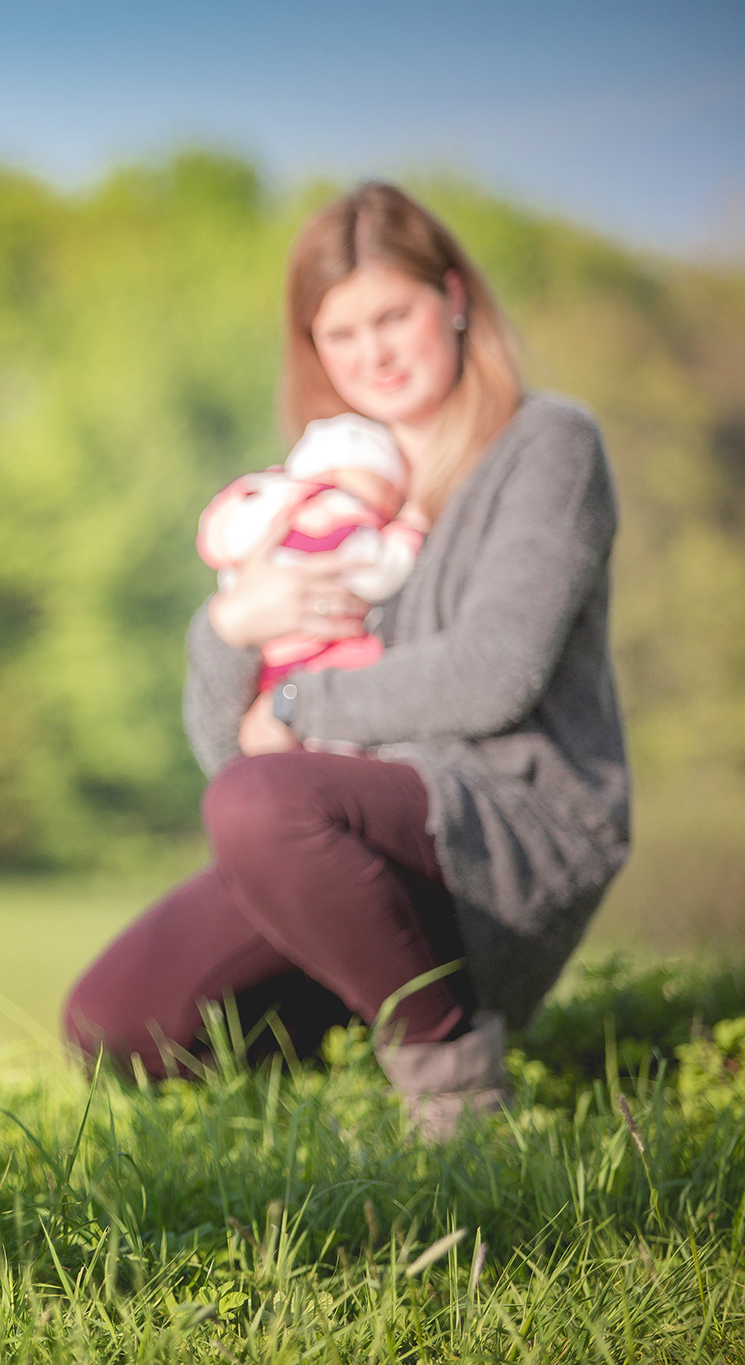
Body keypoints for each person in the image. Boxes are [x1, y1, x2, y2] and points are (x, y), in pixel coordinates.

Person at [63, 182, 630, 1137]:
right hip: (357, 839)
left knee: (261, 800)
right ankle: (368, 1047)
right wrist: (227, 631)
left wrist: (296, 708)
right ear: (313, 348)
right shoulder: (319, 492)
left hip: (510, 823)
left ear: (454, 299)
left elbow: (495, 671)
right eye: (341, 333)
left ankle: (454, 1083)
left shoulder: (548, 445)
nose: (374, 353)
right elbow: (227, 756)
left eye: (393, 315)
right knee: (113, 1024)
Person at [197, 412, 427, 697]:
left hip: (272, 662)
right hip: (330, 658)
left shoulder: (264, 505)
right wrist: (409, 529)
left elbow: (223, 551)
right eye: (388, 489)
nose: (390, 507)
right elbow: (378, 575)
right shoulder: (344, 518)